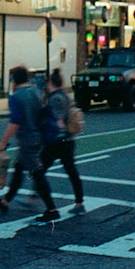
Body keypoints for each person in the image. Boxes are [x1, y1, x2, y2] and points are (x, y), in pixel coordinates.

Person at [0, 66, 59, 222]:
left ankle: (51, 208)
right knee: (19, 169)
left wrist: (3, 141)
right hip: (39, 136)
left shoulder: (16, 97)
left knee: (37, 173)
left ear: (14, 81)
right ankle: (5, 201)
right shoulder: (37, 91)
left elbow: (15, 122)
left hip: (27, 138)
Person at [38, 68, 85, 214]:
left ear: (51, 83)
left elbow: (57, 120)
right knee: (71, 171)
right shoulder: (65, 95)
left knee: (39, 170)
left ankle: (47, 205)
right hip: (68, 140)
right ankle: (79, 203)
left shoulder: (55, 99)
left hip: (57, 141)